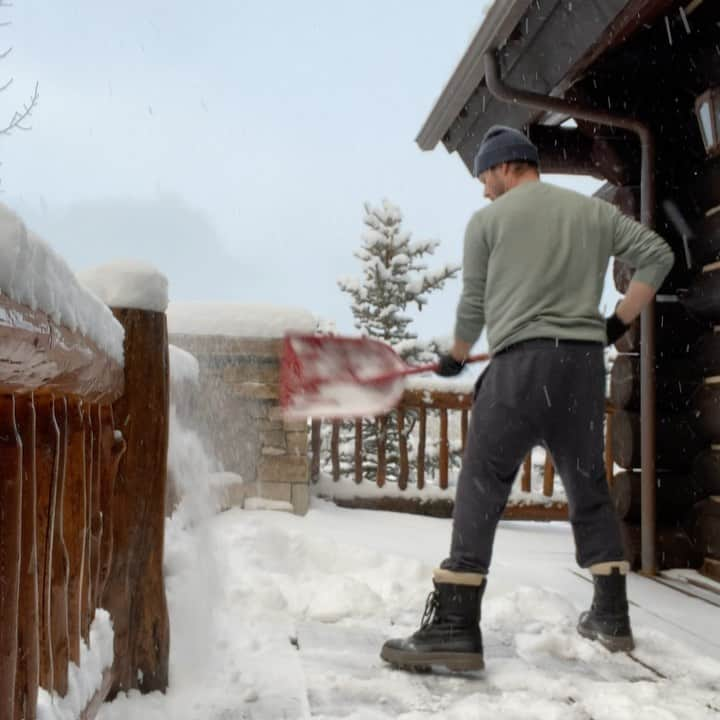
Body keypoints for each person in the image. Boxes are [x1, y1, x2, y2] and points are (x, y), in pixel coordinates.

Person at [380, 125, 674, 672]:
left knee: (483, 479)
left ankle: (455, 625)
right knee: (587, 481)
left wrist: (458, 352)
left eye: (484, 176)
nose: (483, 190)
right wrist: (616, 323)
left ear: (505, 165)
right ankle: (611, 616)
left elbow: (473, 303)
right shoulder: (593, 213)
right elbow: (657, 255)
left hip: (519, 369)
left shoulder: (488, 223)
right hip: (582, 371)